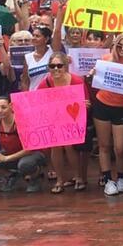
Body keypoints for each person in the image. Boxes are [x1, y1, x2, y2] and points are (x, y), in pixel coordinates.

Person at [37, 52, 90, 193]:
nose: (55, 69)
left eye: (59, 66)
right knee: (56, 145)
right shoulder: (45, 83)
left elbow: (86, 101)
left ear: (65, 66)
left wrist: (85, 104)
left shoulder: (77, 81)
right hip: (54, 120)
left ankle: (78, 176)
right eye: (52, 66)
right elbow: (38, 103)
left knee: (67, 144)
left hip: (74, 120)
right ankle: (60, 179)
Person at [91, 33, 123, 196]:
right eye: (120, 46)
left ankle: (121, 177)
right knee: (104, 145)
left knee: (120, 147)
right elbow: (96, 76)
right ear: (115, 45)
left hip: (122, 107)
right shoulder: (106, 58)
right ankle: (108, 179)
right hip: (102, 104)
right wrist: (94, 72)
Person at [0, 95, 46, 192]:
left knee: (25, 164)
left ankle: (34, 179)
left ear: (11, 106)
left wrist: (6, 158)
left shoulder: (21, 121)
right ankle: (11, 175)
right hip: (12, 154)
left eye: (3, 107)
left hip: (33, 154)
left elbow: (29, 149)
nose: (0, 110)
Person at [21, 26, 54, 91]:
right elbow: (25, 81)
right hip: (34, 95)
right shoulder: (28, 57)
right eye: (33, 35)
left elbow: (57, 32)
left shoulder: (53, 51)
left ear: (46, 39)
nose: (34, 38)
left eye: (37, 36)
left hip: (51, 94)